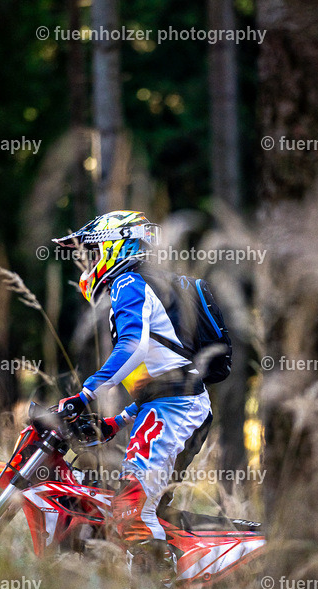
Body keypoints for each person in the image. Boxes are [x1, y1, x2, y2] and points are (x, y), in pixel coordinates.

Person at [53, 210, 215, 568]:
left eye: (94, 252)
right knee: (139, 506)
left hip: (177, 410)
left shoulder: (129, 283)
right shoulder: (136, 286)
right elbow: (156, 377)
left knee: (131, 512)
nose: (89, 263)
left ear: (116, 246)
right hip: (170, 406)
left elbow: (132, 347)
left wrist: (84, 395)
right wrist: (119, 420)